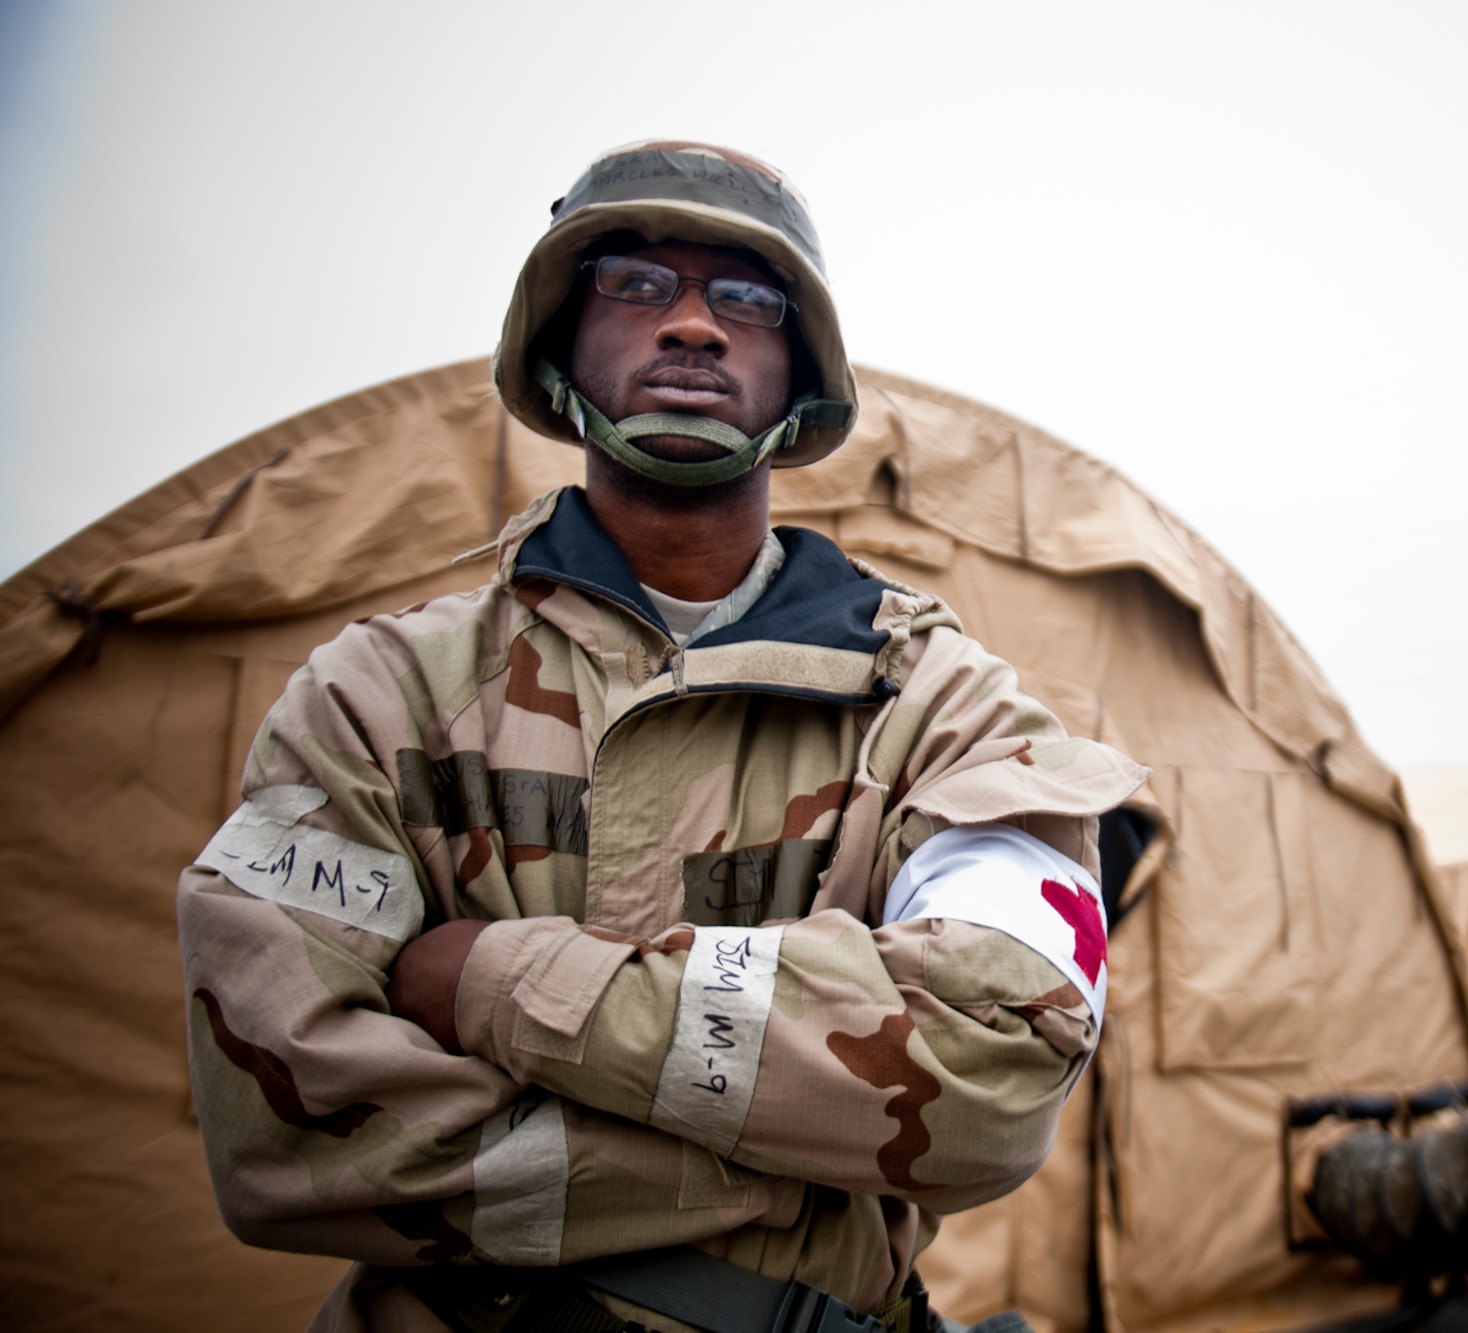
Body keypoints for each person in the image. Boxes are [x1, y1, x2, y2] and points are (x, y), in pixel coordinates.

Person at [177, 140, 1146, 1333]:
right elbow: (286, 1139)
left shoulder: (943, 706)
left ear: (800, 371)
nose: (692, 324)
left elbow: (992, 1077)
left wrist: (498, 981)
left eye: (746, 298)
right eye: (635, 285)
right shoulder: (381, 699)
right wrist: (794, 1169)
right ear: (560, 346)